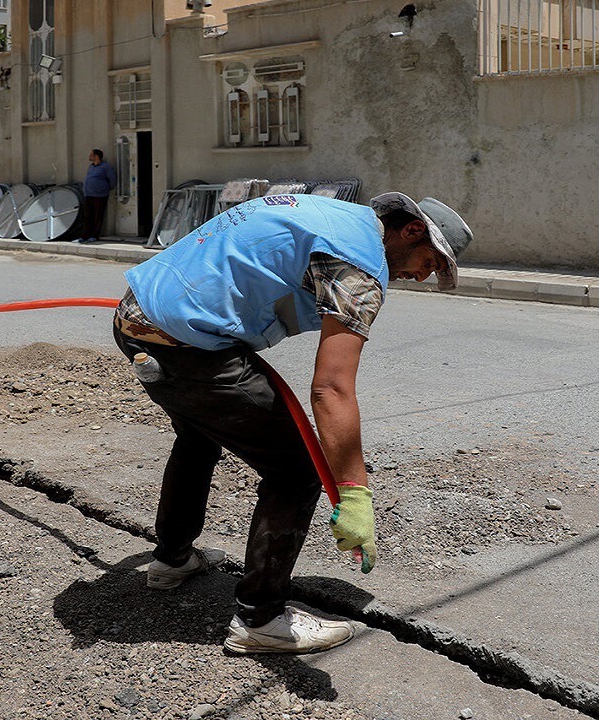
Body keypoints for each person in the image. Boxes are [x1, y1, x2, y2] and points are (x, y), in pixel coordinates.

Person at [114, 191, 472, 655]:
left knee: (199, 434)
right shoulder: (358, 266)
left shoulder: (323, 212)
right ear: (411, 230)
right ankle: (259, 620)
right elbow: (331, 389)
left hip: (135, 316)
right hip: (188, 345)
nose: (423, 276)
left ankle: (172, 560)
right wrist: (354, 492)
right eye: (430, 261)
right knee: (297, 471)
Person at [77, 149, 116, 244]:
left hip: (100, 195)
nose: (89, 156)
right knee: (87, 216)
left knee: (97, 216)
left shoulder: (105, 167)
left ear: (96, 156)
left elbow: (113, 179)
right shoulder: (91, 167)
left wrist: (104, 188)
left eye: (91, 155)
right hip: (89, 195)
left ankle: (94, 235)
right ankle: (84, 236)